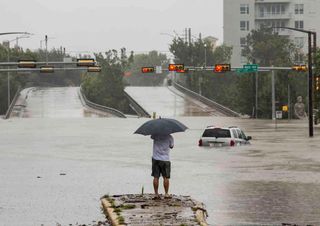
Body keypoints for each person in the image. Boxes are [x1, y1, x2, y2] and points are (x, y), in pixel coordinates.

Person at [151, 134, 174, 199]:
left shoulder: (155, 134)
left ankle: (156, 194)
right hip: (165, 159)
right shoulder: (170, 137)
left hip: (155, 158)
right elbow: (171, 146)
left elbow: (152, 137)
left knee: (156, 177)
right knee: (166, 177)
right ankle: (166, 194)